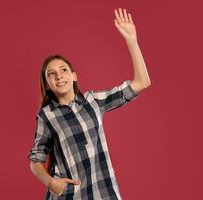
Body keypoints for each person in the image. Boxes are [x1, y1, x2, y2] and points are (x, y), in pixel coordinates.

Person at [28, 8, 151, 200]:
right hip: (71, 196)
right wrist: (51, 183)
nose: (59, 75)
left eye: (63, 69)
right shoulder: (47, 115)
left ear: (74, 75)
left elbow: (142, 83)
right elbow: (35, 160)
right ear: (47, 84)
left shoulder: (93, 101)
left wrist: (132, 41)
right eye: (51, 74)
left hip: (105, 192)